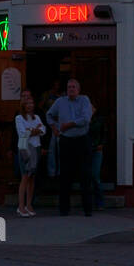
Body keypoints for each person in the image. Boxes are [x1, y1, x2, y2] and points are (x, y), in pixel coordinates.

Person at [46, 78, 93, 216]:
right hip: (66, 141)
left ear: (78, 89)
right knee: (65, 175)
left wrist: (69, 124)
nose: (70, 89)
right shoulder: (60, 102)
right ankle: (64, 209)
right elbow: (49, 114)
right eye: (68, 87)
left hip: (82, 140)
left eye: (73, 87)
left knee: (85, 175)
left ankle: (87, 209)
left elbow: (86, 119)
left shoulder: (84, 100)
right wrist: (54, 127)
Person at [14, 94, 44, 217]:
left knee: (32, 177)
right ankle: (21, 206)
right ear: (23, 105)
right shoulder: (19, 118)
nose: (30, 106)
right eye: (27, 103)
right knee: (25, 176)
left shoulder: (36, 117)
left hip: (36, 147)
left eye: (31, 103)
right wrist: (34, 130)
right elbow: (22, 133)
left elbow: (43, 130)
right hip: (25, 148)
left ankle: (29, 204)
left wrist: (33, 130)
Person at [88, 102, 107, 210]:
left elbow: (104, 133)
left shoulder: (100, 120)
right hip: (86, 150)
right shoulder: (84, 120)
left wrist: (101, 144)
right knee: (87, 176)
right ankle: (88, 202)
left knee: (95, 175)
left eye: (91, 108)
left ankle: (99, 201)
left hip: (97, 150)